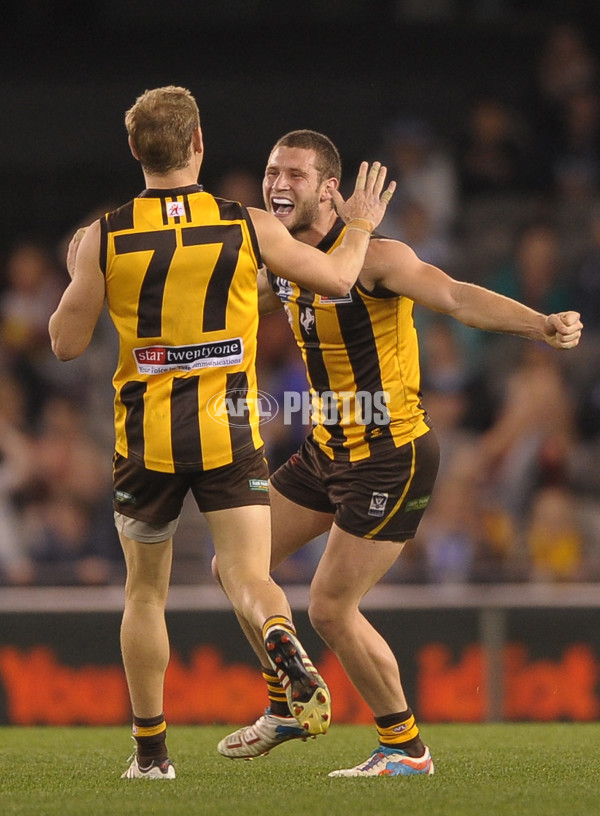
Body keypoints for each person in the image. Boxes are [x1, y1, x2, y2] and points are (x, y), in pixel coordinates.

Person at [48, 88, 395, 780]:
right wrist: (356, 223)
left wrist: (84, 274)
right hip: (227, 430)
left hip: (145, 437)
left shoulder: (104, 235)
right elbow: (335, 277)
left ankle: (151, 756)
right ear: (199, 142)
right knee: (246, 572)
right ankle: (279, 638)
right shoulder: (248, 224)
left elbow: (62, 343)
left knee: (145, 592)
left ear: (134, 151)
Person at [214, 129, 583, 777]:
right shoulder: (281, 254)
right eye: (273, 171)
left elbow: (455, 296)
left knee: (329, 606)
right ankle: (286, 705)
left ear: (330, 189)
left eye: (294, 175)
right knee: (233, 562)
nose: (277, 184)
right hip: (327, 448)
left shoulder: (377, 258)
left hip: (391, 454)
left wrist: (540, 324)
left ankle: (406, 749)